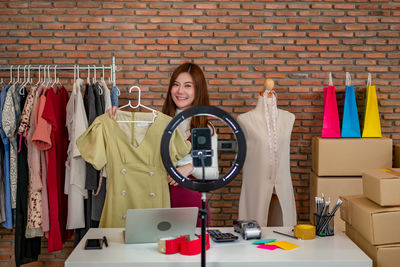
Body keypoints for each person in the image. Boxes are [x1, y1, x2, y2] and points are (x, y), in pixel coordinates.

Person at [107, 62, 219, 226]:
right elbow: (134, 147)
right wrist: (116, 118)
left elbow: (213, 172)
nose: (180, 91)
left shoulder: (204, 129)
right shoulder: (157, 123)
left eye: (187, 86)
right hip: (155, 201)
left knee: (192, 251)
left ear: (198, 90)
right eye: (176, 85)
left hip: (189, 205)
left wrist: (190, 168)